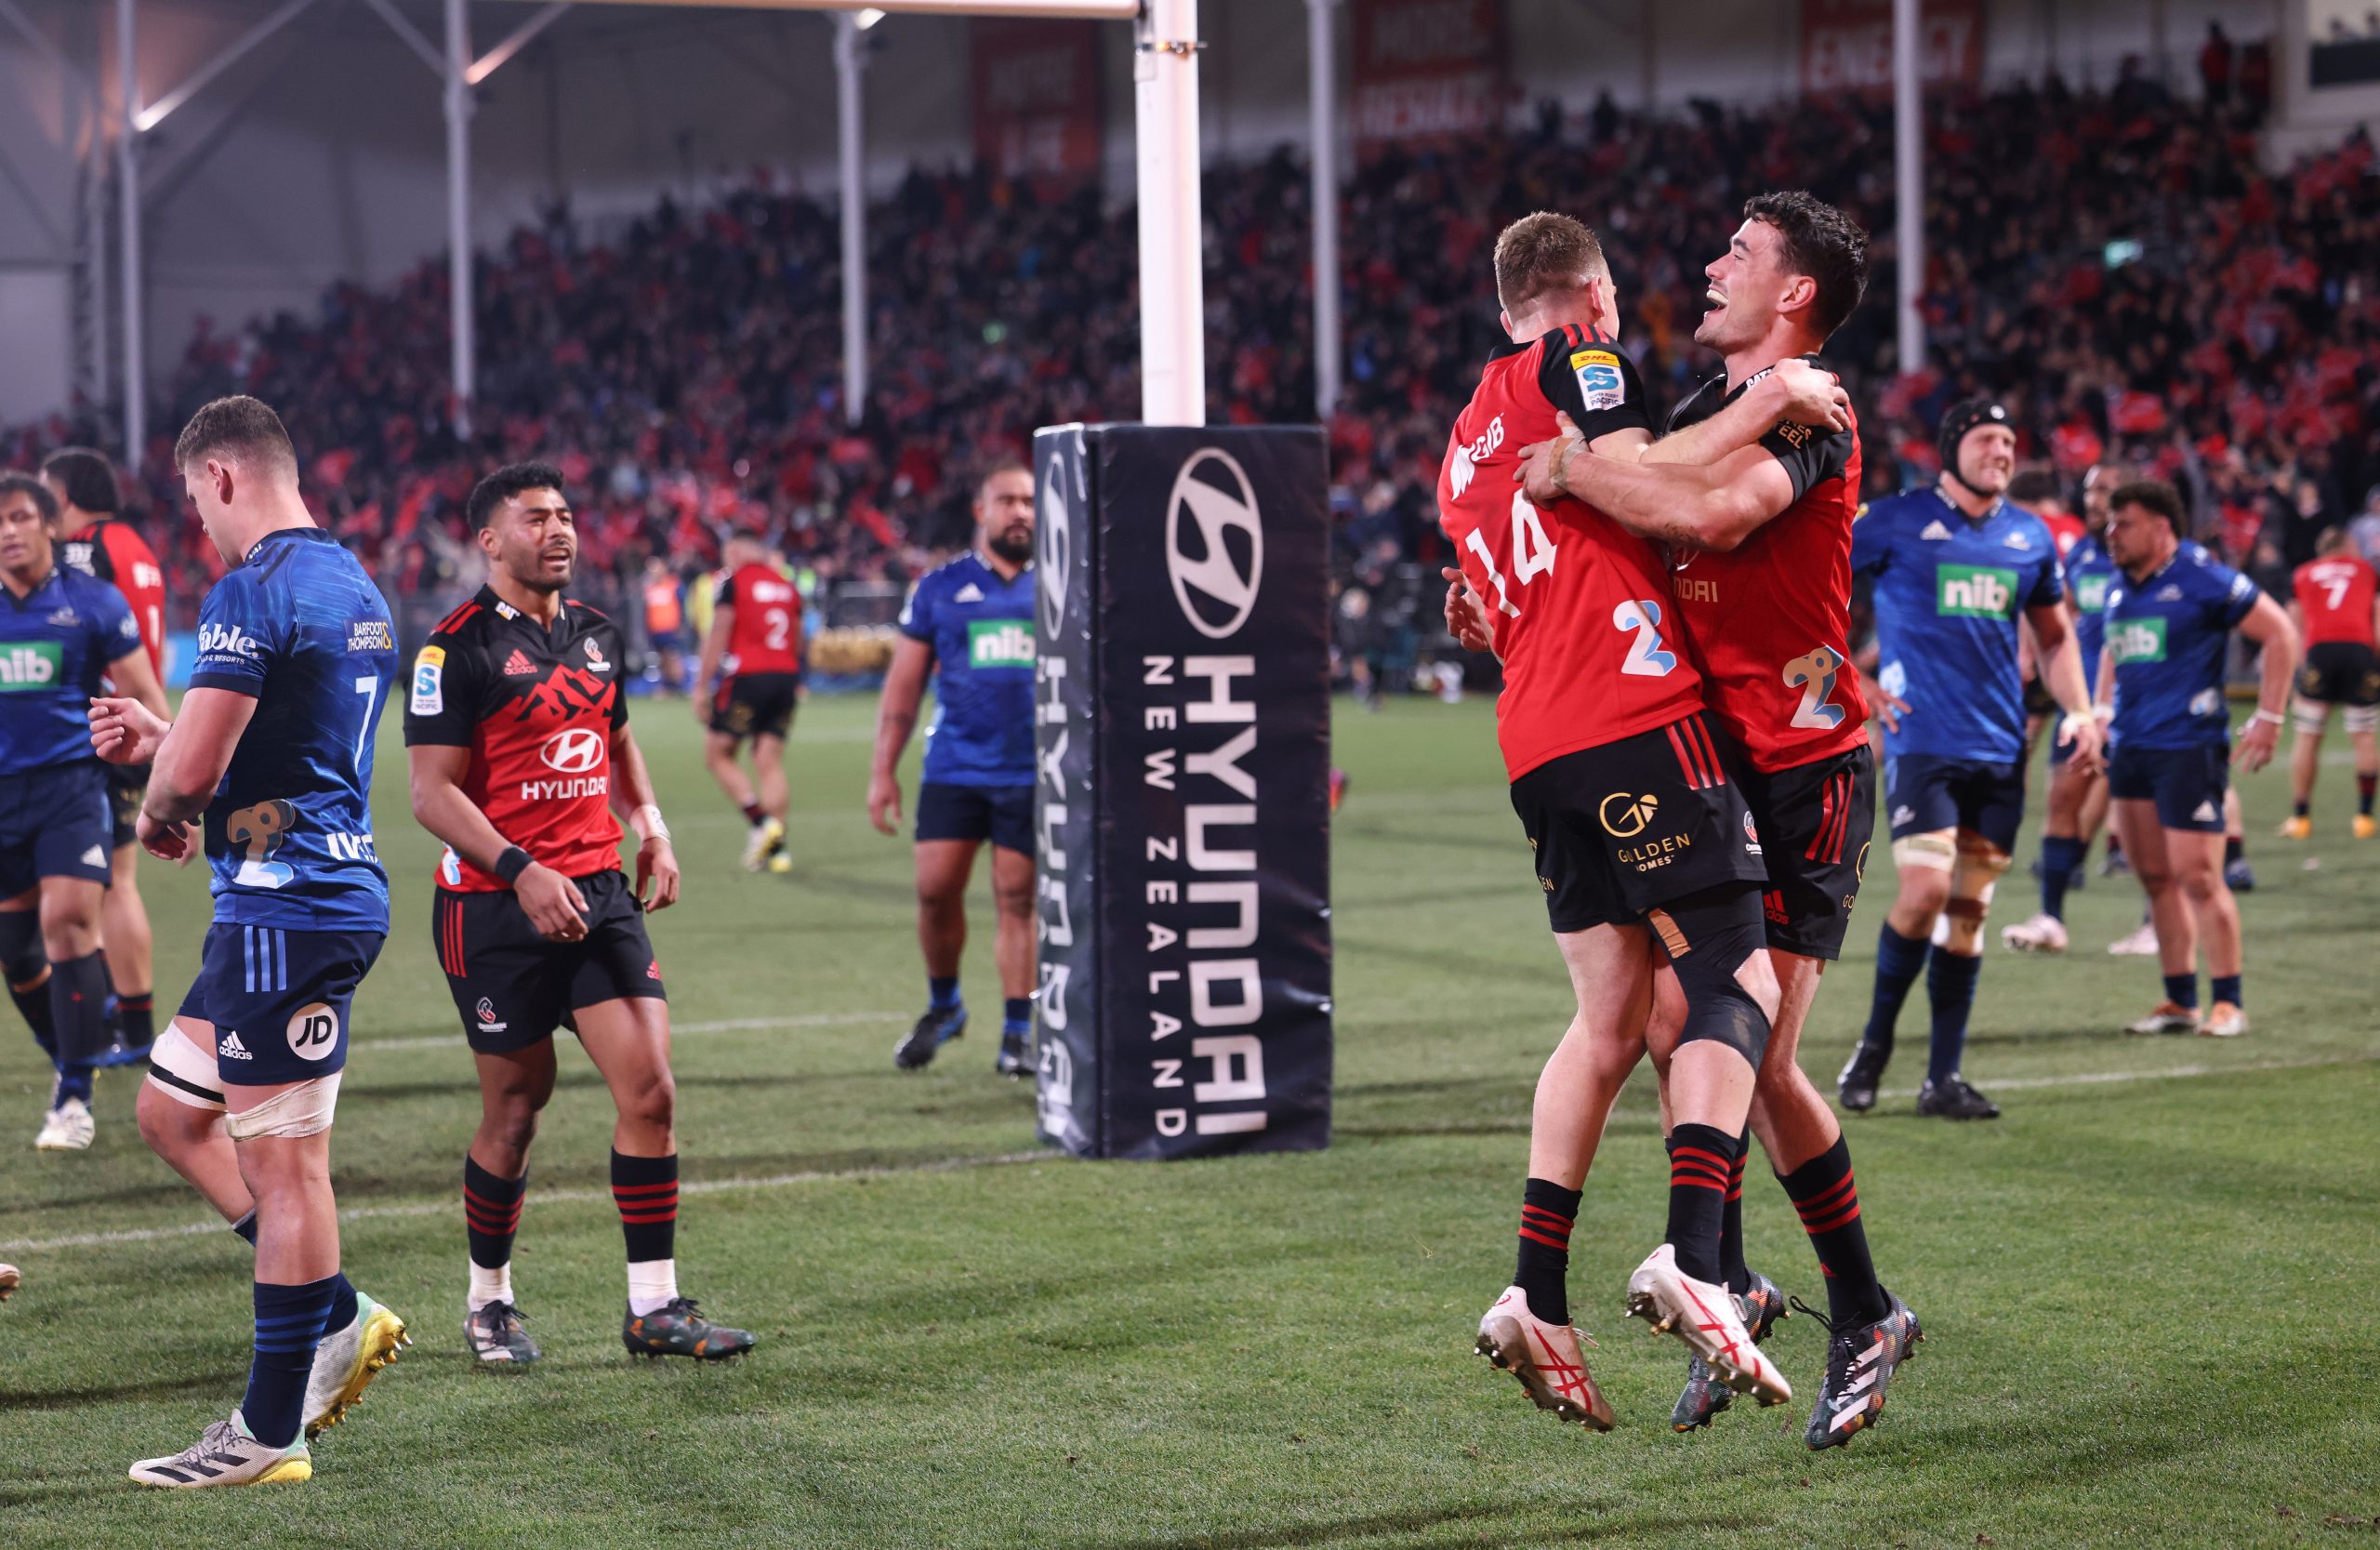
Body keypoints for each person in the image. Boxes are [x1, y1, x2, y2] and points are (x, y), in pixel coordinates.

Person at [1509, 192, 1943, 1447]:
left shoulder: (1814, 405)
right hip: (1708, 756)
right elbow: (1636, 494)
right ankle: (1738, 1276)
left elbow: (1707, 512)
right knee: (1668, 1025)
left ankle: (1862, 1308)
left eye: (1738, 255)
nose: (1709, 267)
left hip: (1805, 763)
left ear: (1793, 293)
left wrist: (1579, 465)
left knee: (1748, 1048)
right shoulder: (1712, 404)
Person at [1443, 211, 1806, 1431]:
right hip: (1636, 712)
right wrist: (1773, 398)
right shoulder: (1584, 362)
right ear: (1591, 295)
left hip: (1535, 747)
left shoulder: (1461, 437)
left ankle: (1536, 1290)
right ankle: (1696, 1257)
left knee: (1609, 1018)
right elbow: (1657, 480)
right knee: (1737, 976)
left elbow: (1483, 596)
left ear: (1504, 307)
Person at [90, 396, 406, 1487]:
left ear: (219, 478)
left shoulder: (252, 587)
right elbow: (281, 740)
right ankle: (339, 1311)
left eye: (191, 498)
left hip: (290, 906)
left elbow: (192, 775)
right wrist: (168, 738)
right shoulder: (352, 582)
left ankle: (269, 1430)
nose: (198, 521)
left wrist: (155, 794)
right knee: (172, 1110)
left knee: (284, 1170)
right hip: (292, 893)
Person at [406, 461, 754, 1366]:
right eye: (535, 519)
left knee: (651, 1090)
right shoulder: (454, 648)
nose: (559, 530)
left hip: (599, 892)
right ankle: (490, 1301)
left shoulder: (598, 633)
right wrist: (521, 870)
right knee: (517, 1111)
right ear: (489, 539)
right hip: (493, 906)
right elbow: (430, 794)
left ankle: (653, 1307)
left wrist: (652, 825)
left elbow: (617, 735)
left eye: (565, 516)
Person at [1836, 400, 2101, 1120]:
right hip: (1924, 743)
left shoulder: (2029, 536)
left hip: (1999, 748)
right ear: (1953, 448)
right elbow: (1814, 590)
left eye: (2011, 440)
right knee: (1923, 893)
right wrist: (1848, 675)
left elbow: (2054, 637)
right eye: (1988, 439)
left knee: (1969, 911)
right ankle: (1875, 1046)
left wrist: (2078, 709)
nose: (2003, 451)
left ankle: (1942, 1078)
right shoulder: (1893, 521)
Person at [0, 475, 166, 1151]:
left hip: (71, 788)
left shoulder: (94, 602)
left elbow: (146, 694)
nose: (8, 532)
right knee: (17, 954)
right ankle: (74, 1048)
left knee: (68, 921)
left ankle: (74, 1092)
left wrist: (165, 796)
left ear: (47, 524)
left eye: (18, 517)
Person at [2098, 479, 2299, 1039]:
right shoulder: (2120, 588)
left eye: (2124, 523)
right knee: (2155, 878)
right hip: (2132, 748)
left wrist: (2270, 715)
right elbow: (2112, 655)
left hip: (2188, 748)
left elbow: (2280, 633)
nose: (2111, 534)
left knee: (2199, 877)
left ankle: (2229, 1002)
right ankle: (2180, 1000)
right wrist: (2097, 712)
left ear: (2162, 527)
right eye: (2111, 524)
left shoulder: (2202, 575)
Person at [867, 463, 1038, 1078]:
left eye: (1029, 501)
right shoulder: (941, 588)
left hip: (1032, 771)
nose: (1020, 511)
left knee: (1018, 898)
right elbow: (903, 689)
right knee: (935, 892)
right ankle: (947, 1007)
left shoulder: (1063, 584)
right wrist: (883, 770)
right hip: (956, 765)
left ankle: (1018, 1031)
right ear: (981, 510)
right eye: (1007, 500)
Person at [44, 446, 167, 1066]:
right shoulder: (136, 547)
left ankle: (133, 1022)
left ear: (63, 498)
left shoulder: (82, 550)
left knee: (109, 885)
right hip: (139, 722)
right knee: (110, 881)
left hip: (103, 726)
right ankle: (122, 1008)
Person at [2006, 466, 2122, 952]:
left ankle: (2156, 924)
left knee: (2147, 823)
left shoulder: (2141, 557)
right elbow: (2059, 610)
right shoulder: (2084, 554)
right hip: (2085, 700)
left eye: (2105, 491)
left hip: (2137, 701)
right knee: (2060, 802)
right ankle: (2052, 917)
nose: (2093, 499)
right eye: (2090, 488)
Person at [694, 530, 801, 873]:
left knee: (717, 754)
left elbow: (720, 631)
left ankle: (760, 822)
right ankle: (779, 850)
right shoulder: (787, 586)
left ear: (739, 550)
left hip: (749, 677)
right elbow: (799, 638)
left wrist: (701, 685)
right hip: (785, 676)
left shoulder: (734, 582)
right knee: (769, 759)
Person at [2280, 525, 2379, 839]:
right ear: (2347, 547)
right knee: (2363, 734)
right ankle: (2364, 817)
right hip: (2359, 651)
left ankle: (2301, 818)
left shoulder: (2303, 574)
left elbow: (2292, 623)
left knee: (2308, 734)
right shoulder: (2366, 571)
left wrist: (2300, 665)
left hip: (2320, 651)